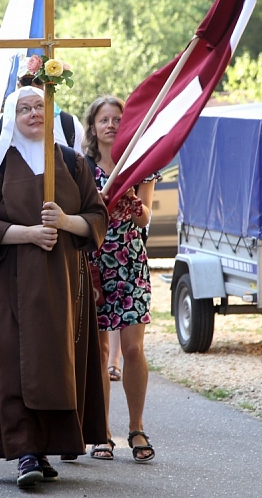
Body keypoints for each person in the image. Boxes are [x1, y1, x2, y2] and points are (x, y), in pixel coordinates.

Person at [0, 86, 109, 488]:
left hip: (63, 282)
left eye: (40, 107)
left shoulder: (72, 162)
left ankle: (46, 446)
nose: (33, 114)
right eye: (24, 108)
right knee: (15, 357)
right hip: (9, 282)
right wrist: (28, 233)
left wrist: (64, 221)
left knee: (55, 360)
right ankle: (24, 449)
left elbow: (97, 219)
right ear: (12, 116)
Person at [82, 95, 156, 463]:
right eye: (103, 120)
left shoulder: (138, 165)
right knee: (98, 353)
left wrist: (128, 195)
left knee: (132, 349)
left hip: (131, 262)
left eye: (116, 119)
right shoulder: (81, 167)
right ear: (93, 127)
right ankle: (101, 432)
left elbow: (145, 217)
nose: (110, 125)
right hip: (95, 264)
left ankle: (137, 426)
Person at [18, 71, 84, 153]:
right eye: (26, 82)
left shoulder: (69, 124)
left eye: (38, 80)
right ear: (18, 85)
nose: (33, 87)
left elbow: (81, 162)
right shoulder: (4, 126)